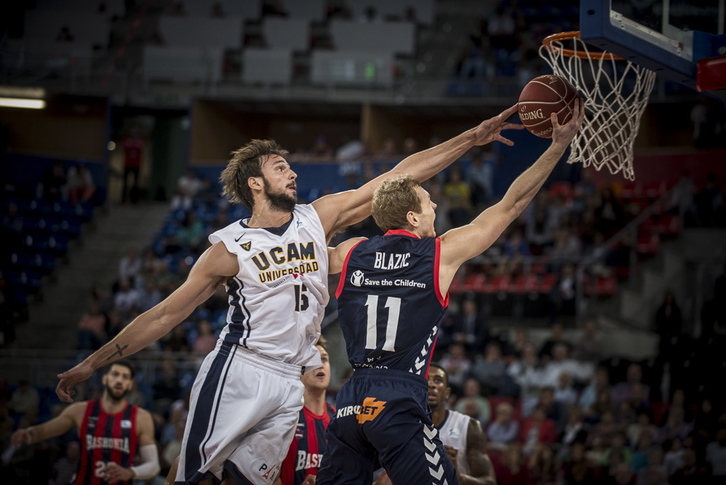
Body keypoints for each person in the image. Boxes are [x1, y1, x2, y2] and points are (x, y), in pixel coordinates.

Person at [56, 105, 525, 485]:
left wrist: (470, 138)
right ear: (255, 184)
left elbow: (398, 177)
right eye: (280, 168)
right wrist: (92, 363)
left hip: (290, 380)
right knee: (193, 477)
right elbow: (163, 316)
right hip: (241, 367)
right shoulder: (229, 248)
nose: (292, 173)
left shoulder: (316, 218)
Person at [319, 101, 584, 484]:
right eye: (428, 203)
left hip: (350, 396)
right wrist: (557, 146)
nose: (435, 205)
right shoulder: (439, 254)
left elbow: (303, 251)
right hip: (398, 395)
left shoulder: (350, 252)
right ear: (412, 217)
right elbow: (510, 207)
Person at [12, 361, 159, 484]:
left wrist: (130, 472)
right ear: (105, 379)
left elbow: (153, 466)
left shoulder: (141, 417)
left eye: (125, 377)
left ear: (130, 385)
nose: (119, 380)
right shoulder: (81, 410)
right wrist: (28, 433)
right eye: (115, 374)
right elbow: (45, 430)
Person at [275, 336, 335, 485]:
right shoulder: (283, 417)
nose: (320, 365)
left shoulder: (339, 420)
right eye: (312, 361)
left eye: (324, 359)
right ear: (298, 369)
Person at [429, 363, 496, 485]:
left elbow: (489, 482)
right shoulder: (403, 427)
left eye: (438, 381)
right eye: (425, 380)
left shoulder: (469, 426)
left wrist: (459, 477)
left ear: (447, 393)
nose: (431, 384)